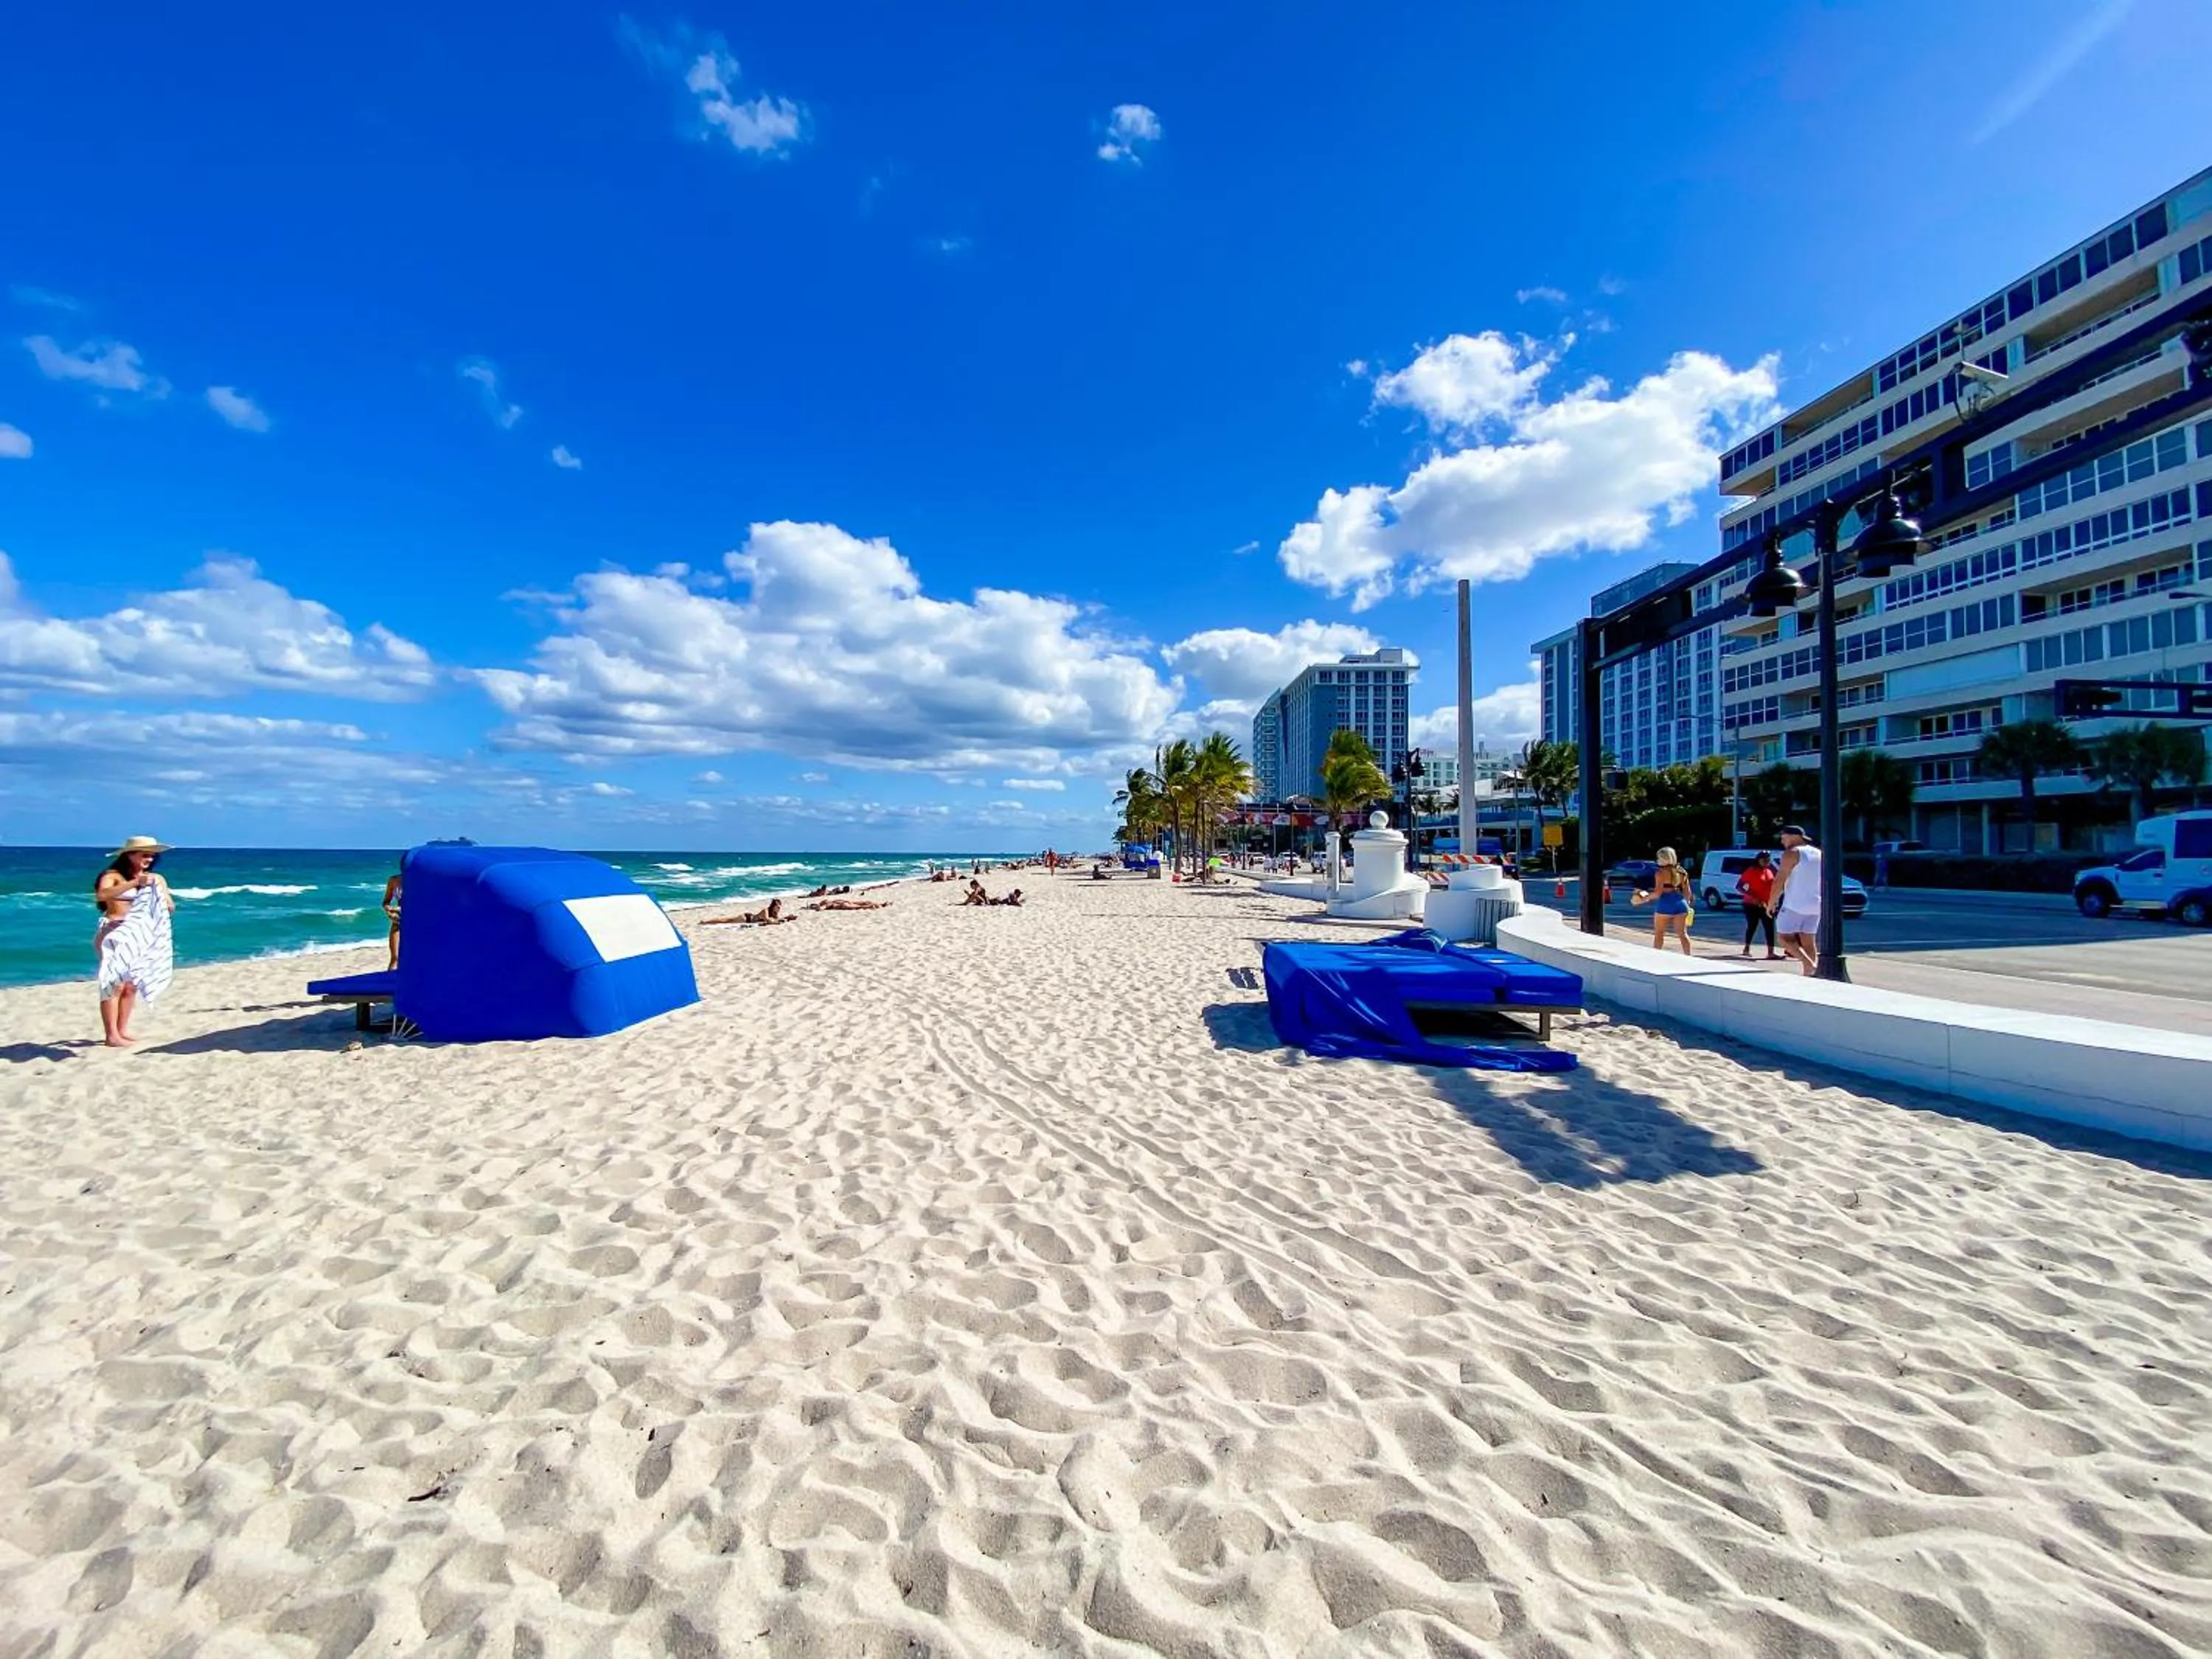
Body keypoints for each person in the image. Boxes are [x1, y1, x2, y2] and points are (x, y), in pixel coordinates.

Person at [94, 835, 176, 1048]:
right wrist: (134, 883)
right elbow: (102, 895)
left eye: (152, 855)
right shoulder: (112, 876)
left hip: (139, 934)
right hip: (114, 931)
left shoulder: (156, 878)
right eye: (145, 855)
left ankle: (122, 1029)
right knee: (114, 984)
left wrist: (160, 899)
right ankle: (111, 1035)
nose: (149, 859)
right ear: (130, 855)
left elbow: (170, 905)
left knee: (131, 985)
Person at [1774, 826, 1823, 977]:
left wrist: (1772, 902)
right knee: (1809, 941)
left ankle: (1809, 964)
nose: (1782, 841)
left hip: (1794, 904)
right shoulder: (1819, 853)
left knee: (1783, 938)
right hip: (1815, 904)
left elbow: (1779, 880)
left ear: (1793, 837)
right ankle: (1810, 973)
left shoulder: (1792, 853)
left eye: (1784, 838)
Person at [1634, 846, 1695, 956]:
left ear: (1664, 859)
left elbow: (1658, 893)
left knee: (1659, 934)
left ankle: (1657, 957)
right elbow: (1688, 894)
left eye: (1659, 858)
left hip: (1665, 903)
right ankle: (1689, 956)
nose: (1657, 860)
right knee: (1683, 934)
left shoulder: (1660, 873)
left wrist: (1643, 899)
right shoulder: (1682, 872)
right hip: (1681, 903)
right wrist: (1688, 906)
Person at [1735, 850, 1783, 961]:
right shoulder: (1751, 871)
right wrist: (1753, 896)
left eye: (1768, 860)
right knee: (1753, 925)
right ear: (1758, 860)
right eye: (1764, 860)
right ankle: (1746, 948)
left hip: (1766, 904)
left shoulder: (1769, 871)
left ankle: (1771, 952)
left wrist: (1774, 901)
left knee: (1769, 927)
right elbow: (1740, 886)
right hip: (1752, 904)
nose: (1767, 862)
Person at [382, 865, 404, 968]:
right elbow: (386, 902)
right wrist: (389, 911)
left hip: (417, 923)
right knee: (395, 958)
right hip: (398, 922)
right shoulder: (394, 880)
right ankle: (391, 978)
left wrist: (399, 909)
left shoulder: (420, 881)